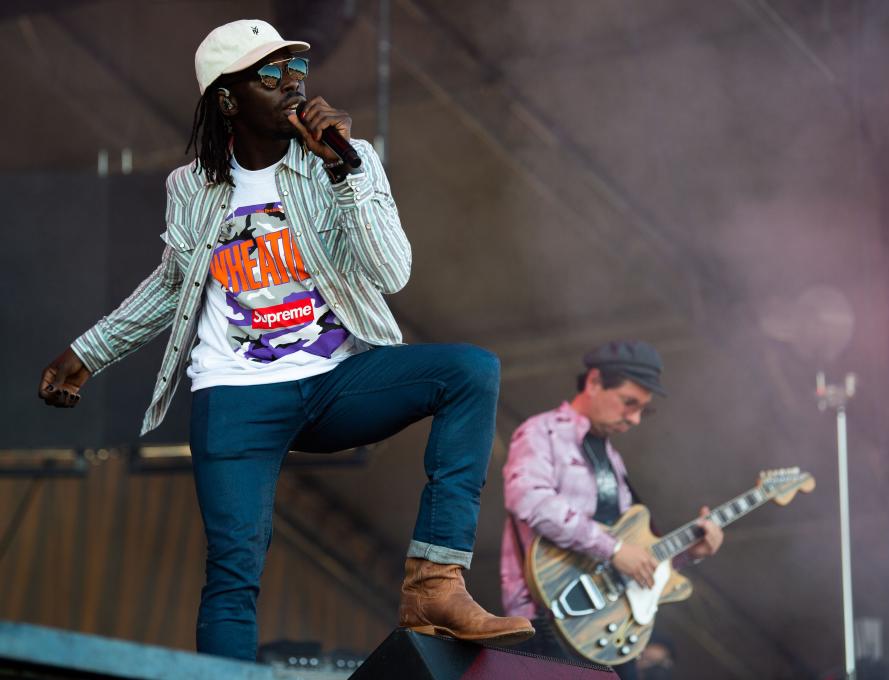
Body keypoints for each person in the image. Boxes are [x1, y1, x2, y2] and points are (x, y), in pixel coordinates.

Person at [37, 18, 532, 661]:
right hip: (234, 397)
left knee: (470, 371)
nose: (292, 84)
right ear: (227, 98)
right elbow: (173, 285)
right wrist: (87, 353)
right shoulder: (189, 188)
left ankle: (435, 582)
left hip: (331, 383)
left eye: (296, 70)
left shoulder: (344, 161)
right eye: (269, 74)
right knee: (233, 573)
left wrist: (345, 171)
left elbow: (392, 272)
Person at [500, 340, 723, 679]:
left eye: (642, 410)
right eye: (628, 403)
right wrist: (615, 549)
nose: (634, 418)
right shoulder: (541, 431)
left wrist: (689, 552)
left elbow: (632, 555)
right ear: (594, 382)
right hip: (549, 617)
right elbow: (529, 498)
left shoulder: (613, 459)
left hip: (608, 627)